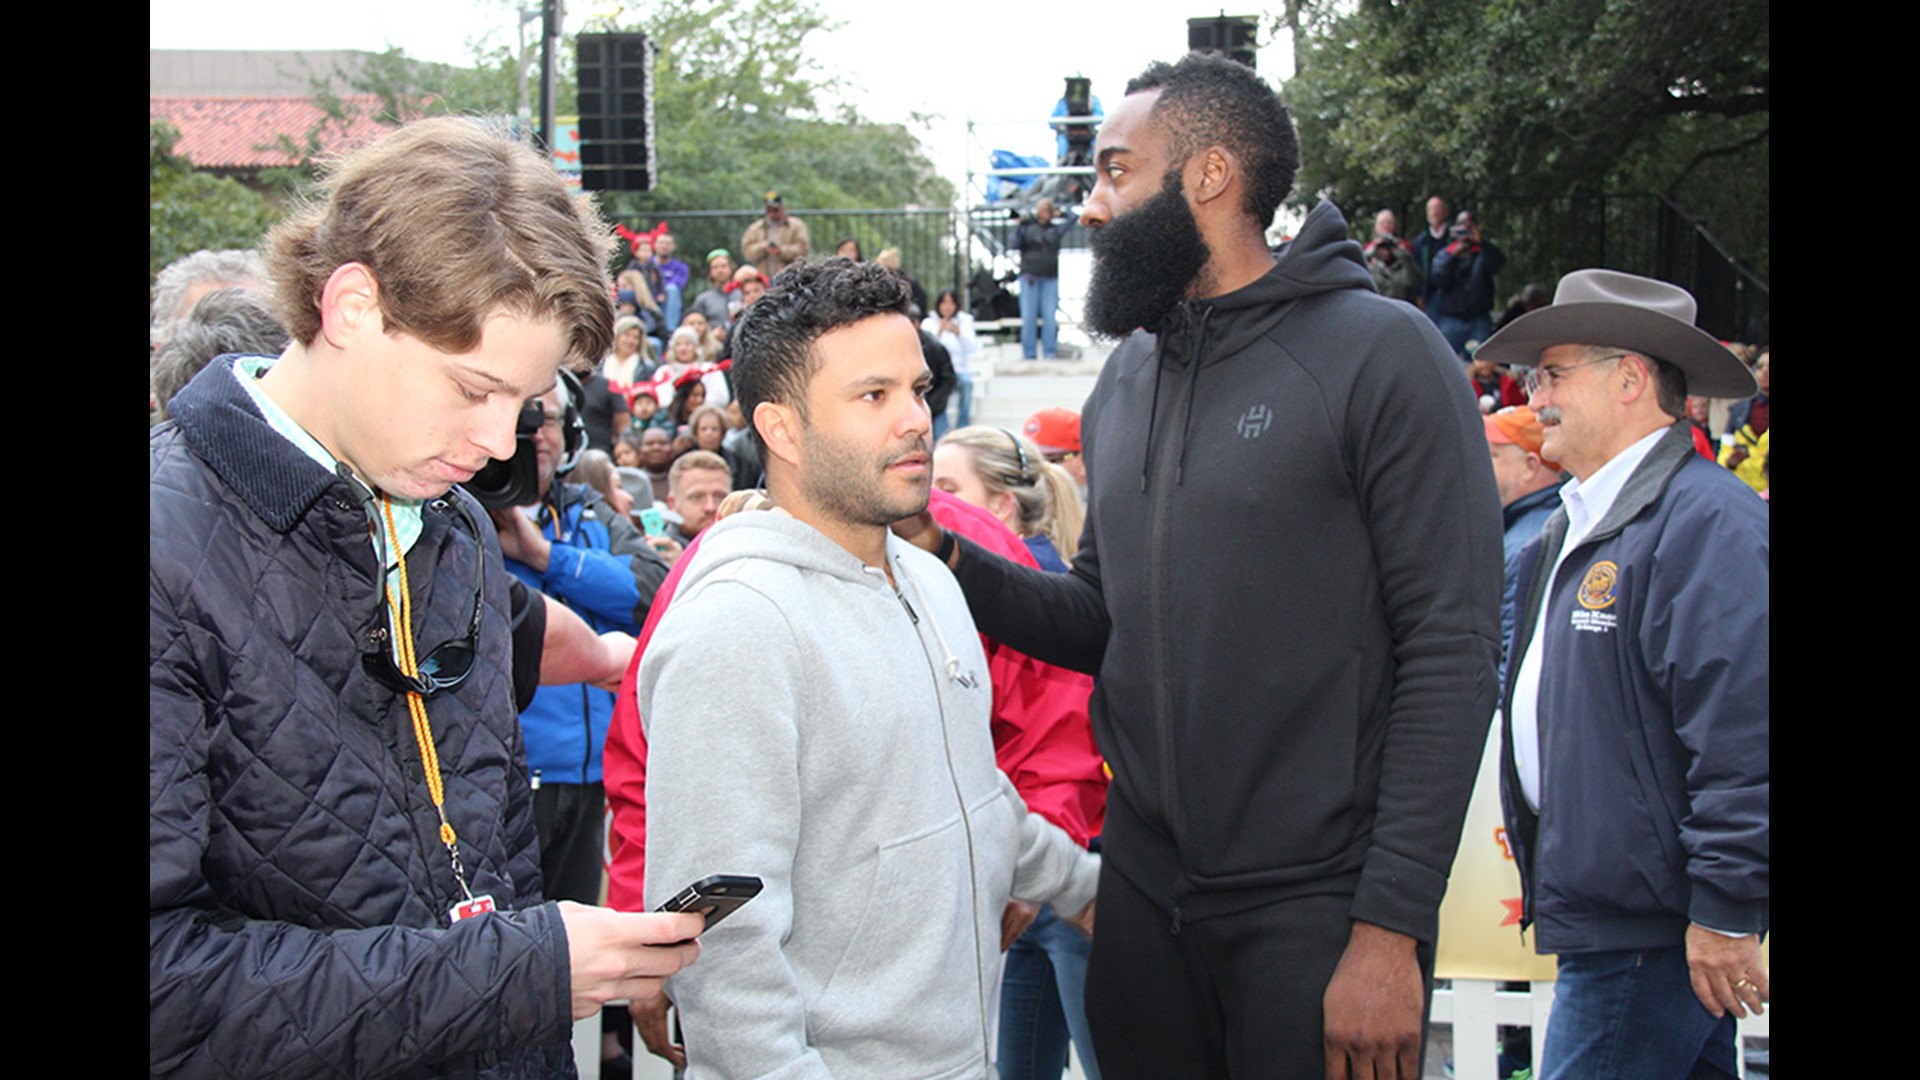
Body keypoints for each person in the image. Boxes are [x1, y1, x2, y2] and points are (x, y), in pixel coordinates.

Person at [897, 53, 1501, 1078]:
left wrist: (1388, 932)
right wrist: (943, 553)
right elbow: (1100, 617)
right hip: (1145, 900)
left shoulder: (1383, 355)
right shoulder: (1126, 379)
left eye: (1115, 173)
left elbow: (1452, 651)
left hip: (1317, 908)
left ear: (1210, 176)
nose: (1089, 208)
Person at [150, 116, 702, 1078]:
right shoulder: (168, 548)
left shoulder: (452, 531)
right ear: (352, 306)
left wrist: (547, 973)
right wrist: (520, 971)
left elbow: (486, 870)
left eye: (523, 404)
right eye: (471, 387)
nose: (497, 443)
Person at [636, 258, 1100, 1077]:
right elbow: (724, 941)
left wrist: (1087, 888)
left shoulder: (931, 581)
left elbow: (972, 797)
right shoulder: (736, 626)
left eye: (918, 391)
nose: (915, 420)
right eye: (872, 396)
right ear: (780, 429)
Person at [1476, 269, 1769, 1079]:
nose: (1535, 394)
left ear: (1631, 378)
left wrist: (1722, 907)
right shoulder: (1576, 526)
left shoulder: (1707, 523)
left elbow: (1744, 735)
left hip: (1651, 930)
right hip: (1636, 922)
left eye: (1554, 372)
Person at [491, 375, 671, 905]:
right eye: (521, 419)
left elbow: (651, 589)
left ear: (569, 430)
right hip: (510, 784)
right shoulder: (456, 511)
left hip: (594, 781)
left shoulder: (590, 512)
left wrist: (546, 558)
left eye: (544, 419)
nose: (535, 435)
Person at [934, 425, 1083, 574]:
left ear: (1002, 505)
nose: (931, 499)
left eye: (947, 490)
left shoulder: (1029, 574)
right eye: (925, 486)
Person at [1482, 405, 1565, 661]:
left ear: (1530, 466)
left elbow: (1509, 659)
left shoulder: (1524, 546)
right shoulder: (1539, 528)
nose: (1479, 466)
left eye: (1492, 456)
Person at [1429, 209, 1506, 358]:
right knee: (1445, 358)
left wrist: (1481, 243)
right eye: (1462, 226)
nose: (1465, 231)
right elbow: (1438, 278)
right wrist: (1452, 256)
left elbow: (1495, 266)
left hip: (1478, 317)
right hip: (1450, 317)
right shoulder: (1447, 252)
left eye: (1469, 226)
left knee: (1481, 359)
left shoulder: (1483, 251)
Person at [1011, 197, 1067, 359]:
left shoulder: (1054, 230)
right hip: (1030, 277)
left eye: (1046, 210)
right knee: (1029, 317)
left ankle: (1049, 351)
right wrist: (1020, 225)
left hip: (1050, 277)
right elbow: (1014, 244)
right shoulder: (1027, 228)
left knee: (1050, 316)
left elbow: (1072, 217)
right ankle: (1029, 353)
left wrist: (1060, 212)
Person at [923, 288, 981, 429]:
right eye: (944, 302)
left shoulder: (965, 321)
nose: (947, 307)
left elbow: (972, 348)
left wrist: (958, 333)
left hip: (959, 369)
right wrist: (939, 332)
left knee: (966, 383)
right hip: (939, 373)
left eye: (951, 303)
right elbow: (927, 349)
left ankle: (963, 424)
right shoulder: (929, 323)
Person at [1719, 347, 1770, 491]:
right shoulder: (1738, 410)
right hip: (1742, 492)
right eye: (1760, 366)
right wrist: (1731, 461)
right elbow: (1724, 453)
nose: (1765, 371)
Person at [739, 190, 811, 282]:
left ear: (782, 208)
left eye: (775, 210)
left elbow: (803, 249)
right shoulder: (755, 229)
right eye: (769, 210)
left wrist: (781, 251)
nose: (772, 213)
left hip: (788, 277)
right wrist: (763, 247)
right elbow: (747, 251)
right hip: (763, 279)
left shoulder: (796, 226)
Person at [1024, 406, 1087, 495]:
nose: (1037, 468)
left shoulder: (1103, 504)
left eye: (1051, 459)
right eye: (1029, 459)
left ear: (1084, 460)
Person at [1364, 208, 1421, 303]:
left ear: (1394, 226)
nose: (1385, 226)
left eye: (1389, 223)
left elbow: (1415, 280)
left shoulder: (1404, 247)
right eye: (1382, 223)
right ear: (1376, 226)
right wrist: (1373, 248)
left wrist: (1401, 251)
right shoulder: (1369, 249)